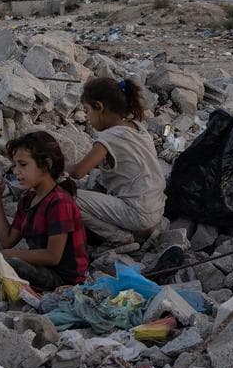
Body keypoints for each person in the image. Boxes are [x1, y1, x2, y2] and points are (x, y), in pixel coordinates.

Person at [0, 131, 89, 290]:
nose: (16, 171)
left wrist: (10, 254)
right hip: (44, 269)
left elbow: (53, 256)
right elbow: (7, 240)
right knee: (3, 260)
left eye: (23, 164)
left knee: (8, 262)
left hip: (64, 280)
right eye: (14, 165)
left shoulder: (59, 202)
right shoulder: (28, 198)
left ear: (46, 164)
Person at [70, 77, 166, 243]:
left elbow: (79, 172)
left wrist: (54, 166)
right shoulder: (136, 127)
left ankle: (120, 237)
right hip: (157, 208)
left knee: (69, 198)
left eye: (87, 111)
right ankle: (142, 229)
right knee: (97, 179)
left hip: (137, 213)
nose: (87, 118)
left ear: (99, 107)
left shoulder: (108, 137)